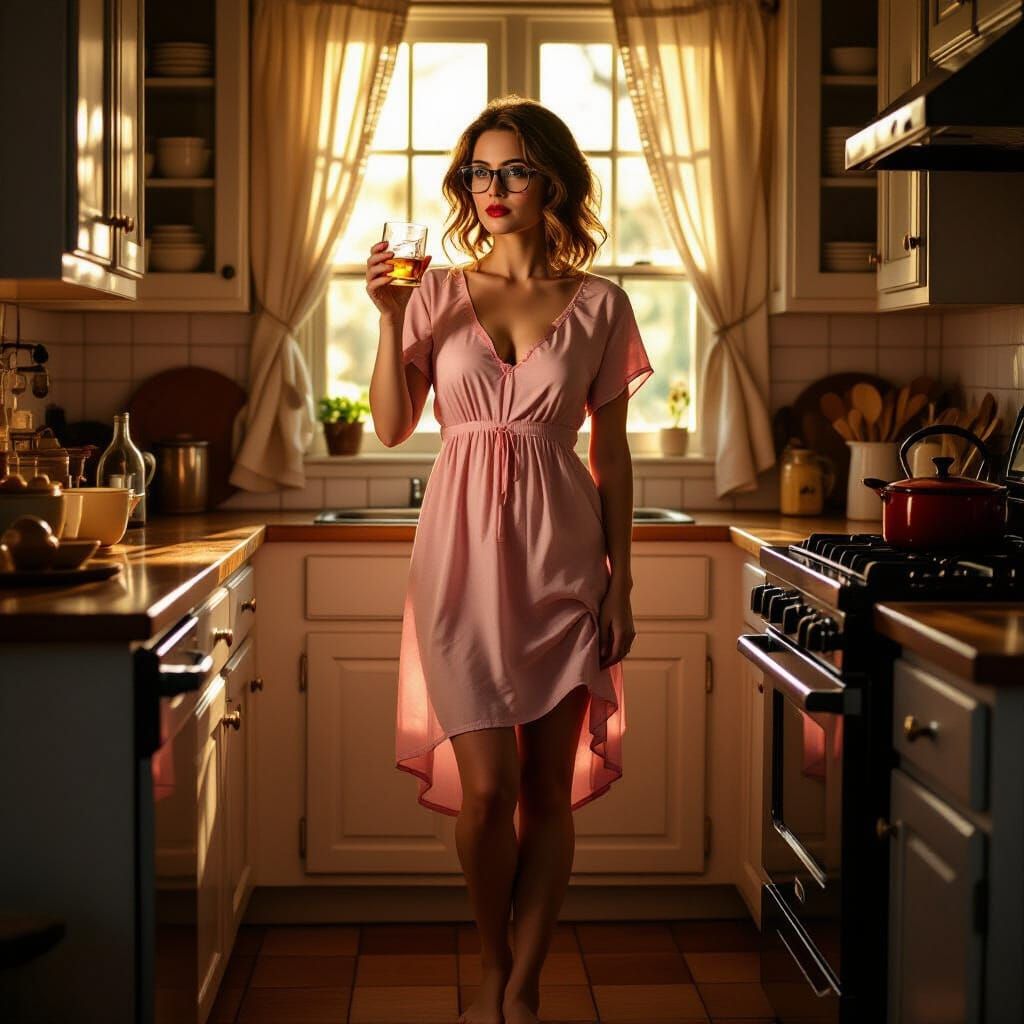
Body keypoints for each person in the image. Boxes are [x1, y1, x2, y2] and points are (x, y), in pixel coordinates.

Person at [365, 95, 654, 1024]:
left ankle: (524, 985)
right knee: (486, 794)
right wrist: (386, 315)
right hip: (456, 569)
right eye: (479, 172)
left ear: (553, 182)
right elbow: (389, 426)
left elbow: (612, 458)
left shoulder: (601, 303)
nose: (493, 189)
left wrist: (622, 583)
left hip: (563, 568)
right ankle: (490, 958)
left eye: (515, 170)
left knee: (543, 792)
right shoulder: (435, 293)